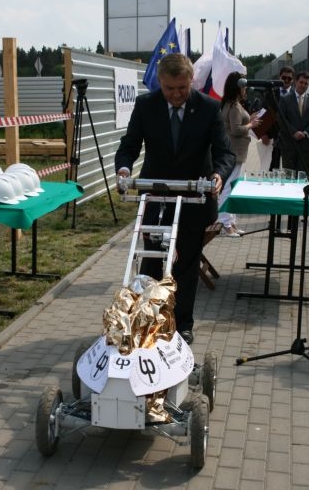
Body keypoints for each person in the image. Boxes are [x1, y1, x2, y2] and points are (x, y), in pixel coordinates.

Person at [115, 53, 235, 345]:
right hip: (156, 198)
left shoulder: (208, 108)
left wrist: (218, 175)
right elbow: (129, 145)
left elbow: (224, 152)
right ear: (160, 82)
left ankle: (182, 325)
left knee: (185, 266)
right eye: (170, 89)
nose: (176, 94)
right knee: (152, 263)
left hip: (194, 199)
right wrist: (124, 169)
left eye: (182, 88)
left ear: (191, 80)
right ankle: (148, 321)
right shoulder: (146, 106)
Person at [217, 71, 261, 237]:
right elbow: (236, 129)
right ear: (238, 87)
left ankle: (231, 222)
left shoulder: (234, 104)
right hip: (234, 152)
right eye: (244, 87)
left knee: (233, 187)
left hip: (237, 152)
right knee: (228, 188)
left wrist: (251, 119)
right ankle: (225, 223)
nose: (246, 90)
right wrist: (251, 124)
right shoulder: (234, 106)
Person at [278, 70, 309, 173]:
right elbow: (281, 119)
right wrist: (294, 132)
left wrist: (305, 133)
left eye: (306, 83)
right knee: (288, 177)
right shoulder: (285, 99)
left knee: (303, 178)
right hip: (289, 145)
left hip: (306, 146)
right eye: (301, 82)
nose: (303, 85)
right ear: (296, 82)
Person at [260, 66, 295, 170]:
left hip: (290, 138)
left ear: (292, 80)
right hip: (272, 137)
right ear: (280, 77)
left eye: (289, 78)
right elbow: (263, 113)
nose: (286, 80)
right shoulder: (270, 93)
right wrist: (263, 133)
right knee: (271, 168)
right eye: (284, 77)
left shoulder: (295, 95)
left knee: (288, 169)